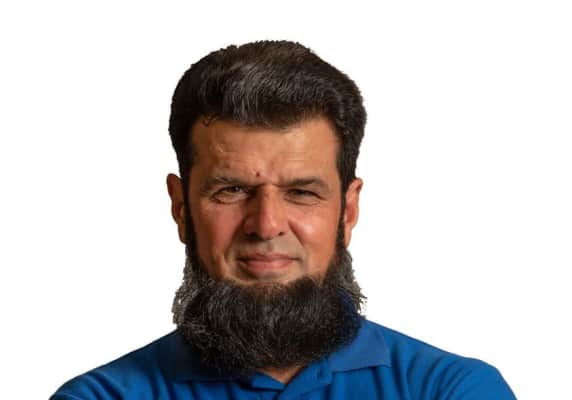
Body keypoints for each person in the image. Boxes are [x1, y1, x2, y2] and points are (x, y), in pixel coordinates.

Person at [51, 40, 516, 399]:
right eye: (232, 190)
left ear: (348, 210)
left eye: (301, 193)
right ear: (181, 207)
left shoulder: (450, 390)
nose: (266, 224)